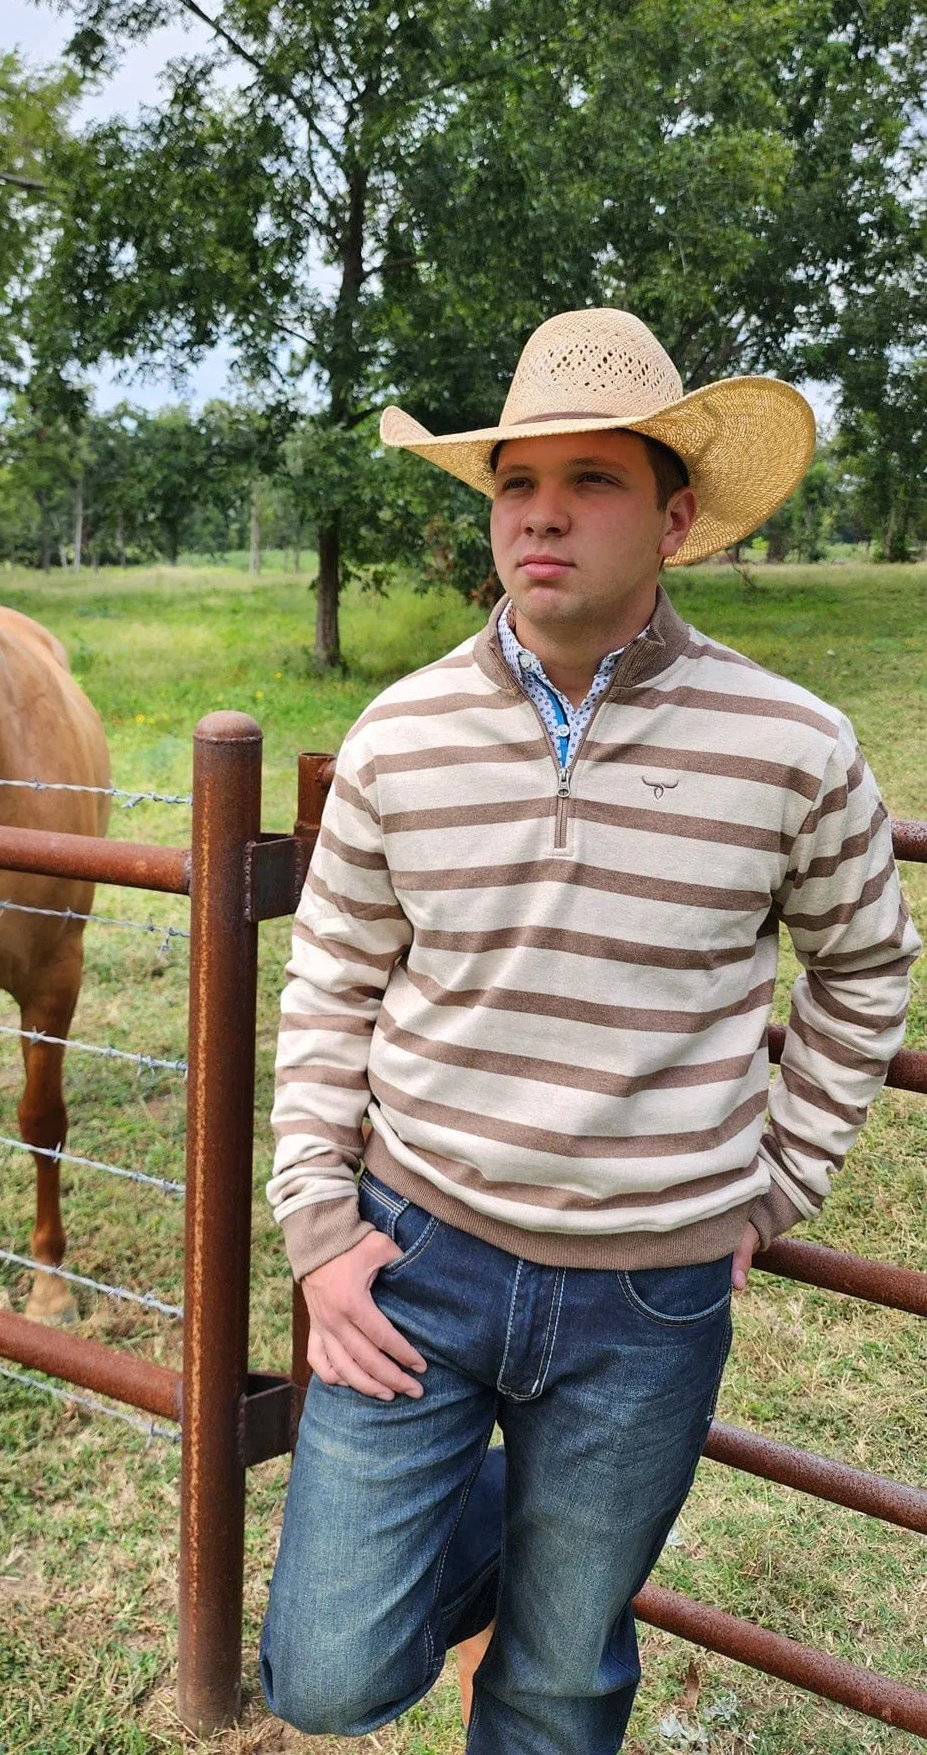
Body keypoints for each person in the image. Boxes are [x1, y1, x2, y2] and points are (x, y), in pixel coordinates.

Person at [260, 309, 919, 1754]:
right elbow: (329, 989)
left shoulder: (791, 745)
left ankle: (567, 1541)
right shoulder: (400, 738)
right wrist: (317, 1226)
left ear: (676, 519)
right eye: (516, 484)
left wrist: (778, 1184)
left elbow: (868, 969)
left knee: (560, 1682)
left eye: (592, 480)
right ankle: (536, 1509)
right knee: (325, 1675)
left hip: (653, 1300)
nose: (542, 513)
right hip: (416, 1260)